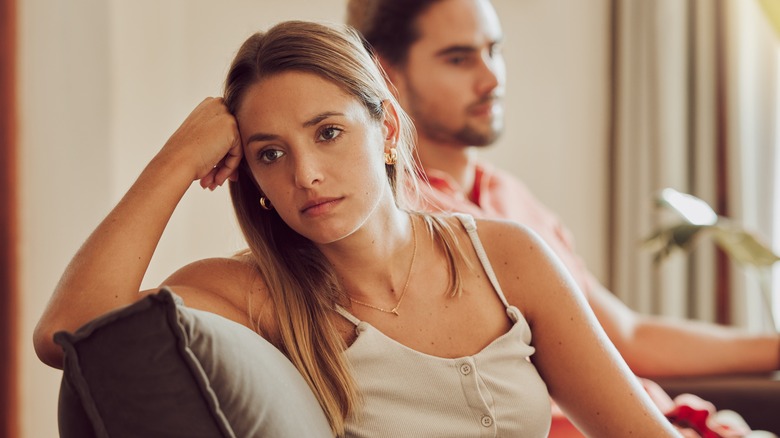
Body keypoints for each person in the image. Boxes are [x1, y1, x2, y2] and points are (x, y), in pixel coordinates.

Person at [32, 20, 681, 438]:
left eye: (329, 133)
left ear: (389, 133)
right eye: (270, 153)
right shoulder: (250, 294)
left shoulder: (504, 255)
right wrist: (177, 158)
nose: (306, 174)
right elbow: (67, 333)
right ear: (246, 175)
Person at [346, 0, 780, 435]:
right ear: (385, 74)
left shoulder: (509, 196)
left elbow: (625, 336)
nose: (492, 77)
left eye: (494, 50)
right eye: (459, 59)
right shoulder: (394, 224)